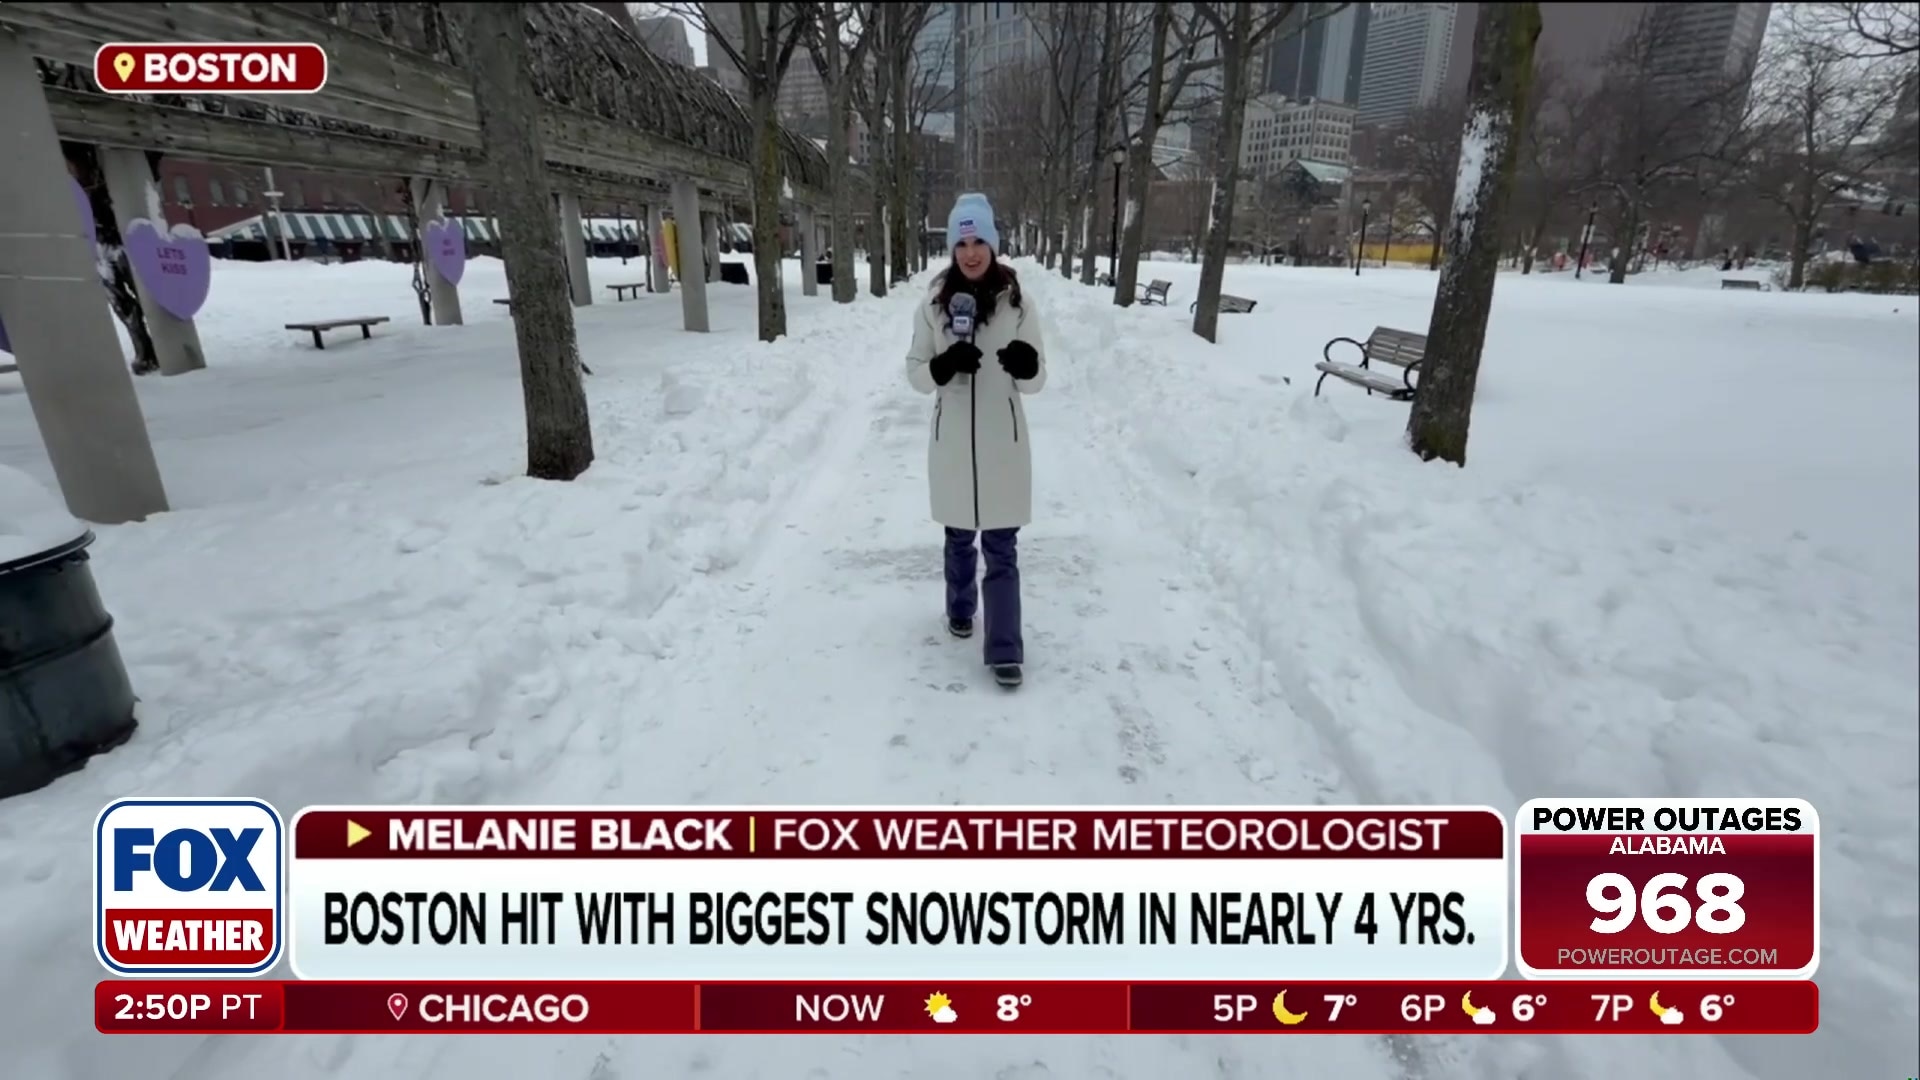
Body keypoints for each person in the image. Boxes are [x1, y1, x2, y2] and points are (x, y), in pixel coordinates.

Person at [905, 193, 1047, 689]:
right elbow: (916, 372)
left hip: (1002, 442)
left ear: (993, 243)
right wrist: (942, 367)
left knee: (1002, 547)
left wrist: (1026, 367)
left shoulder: (1018, 302)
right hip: (952, 443)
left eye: (979, 240)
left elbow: (1037, 378)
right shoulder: (933, 304)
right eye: (961, 242)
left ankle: (1005, 649)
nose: (970, 252)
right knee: (959, 536)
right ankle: (960, 607)